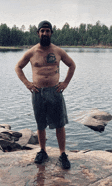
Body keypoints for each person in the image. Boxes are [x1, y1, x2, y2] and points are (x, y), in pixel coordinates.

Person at [15, 20, 76, 169]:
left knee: (60, 125)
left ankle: (62, 154)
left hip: (55, 92)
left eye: (47, 31)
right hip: (38, 92)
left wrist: (65, 83)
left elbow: (72, 65)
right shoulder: (32, 52)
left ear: (51, 33)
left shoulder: (58, 51)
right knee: (40, 123)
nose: (45, 33)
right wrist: (27, 83)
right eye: (42, 31)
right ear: (38, 33)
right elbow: (18, 67)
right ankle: (43, 151)